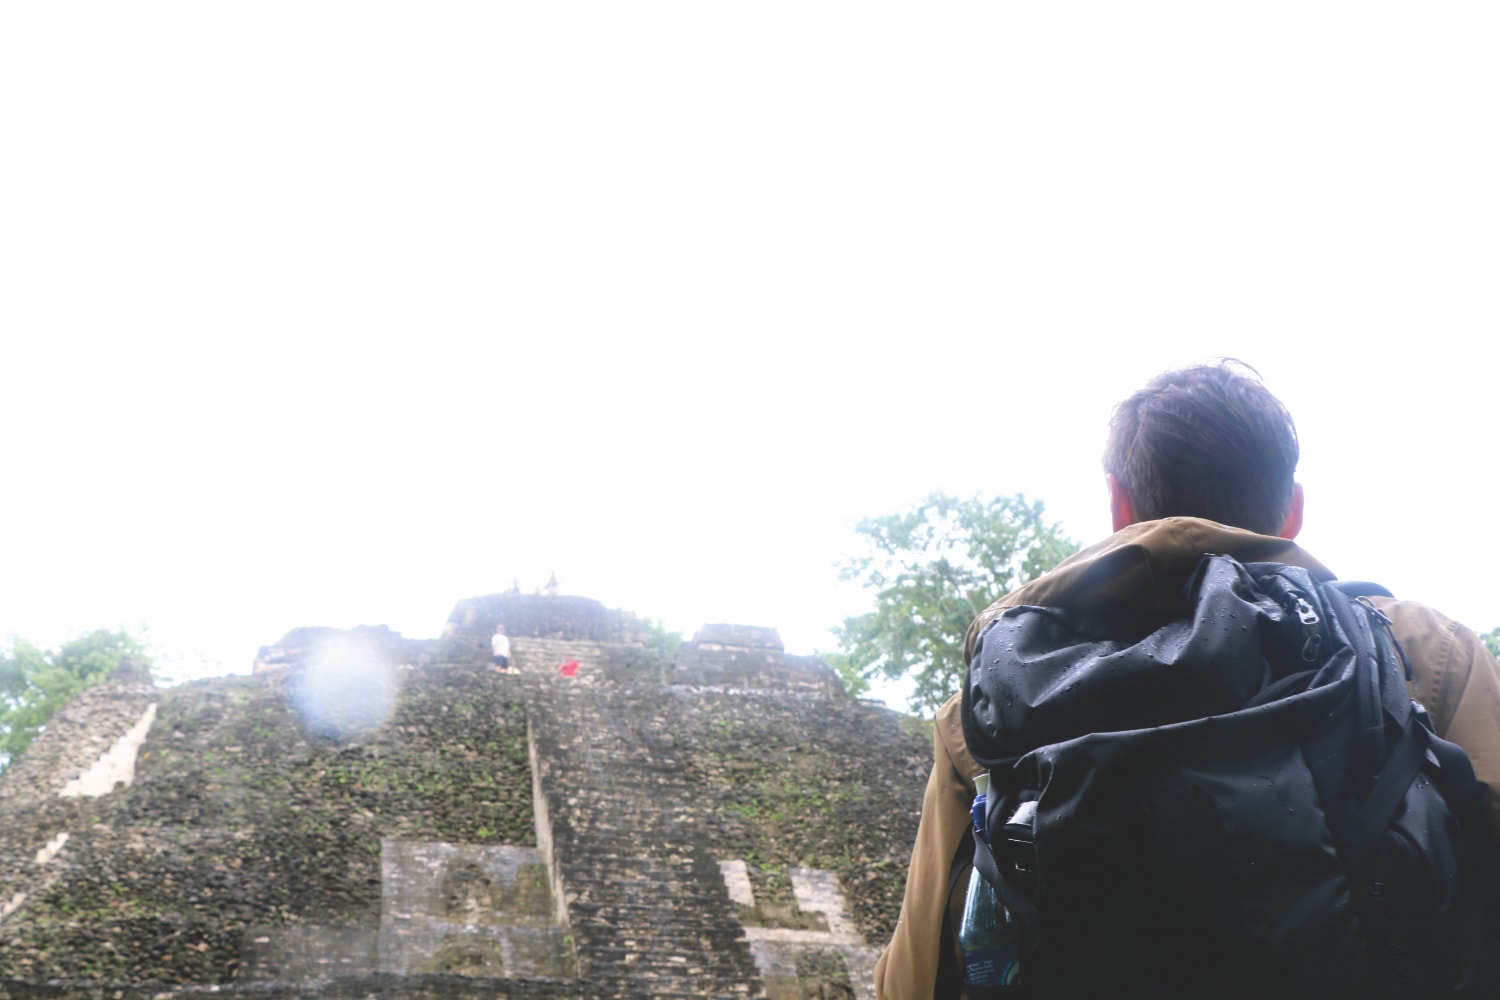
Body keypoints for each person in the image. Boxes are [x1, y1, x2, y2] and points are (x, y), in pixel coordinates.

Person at [874, 359, 1500, 999]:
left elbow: (916, 981)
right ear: (1294, 512)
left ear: (1120, 505)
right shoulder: (1418, 649)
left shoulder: (994, 702)